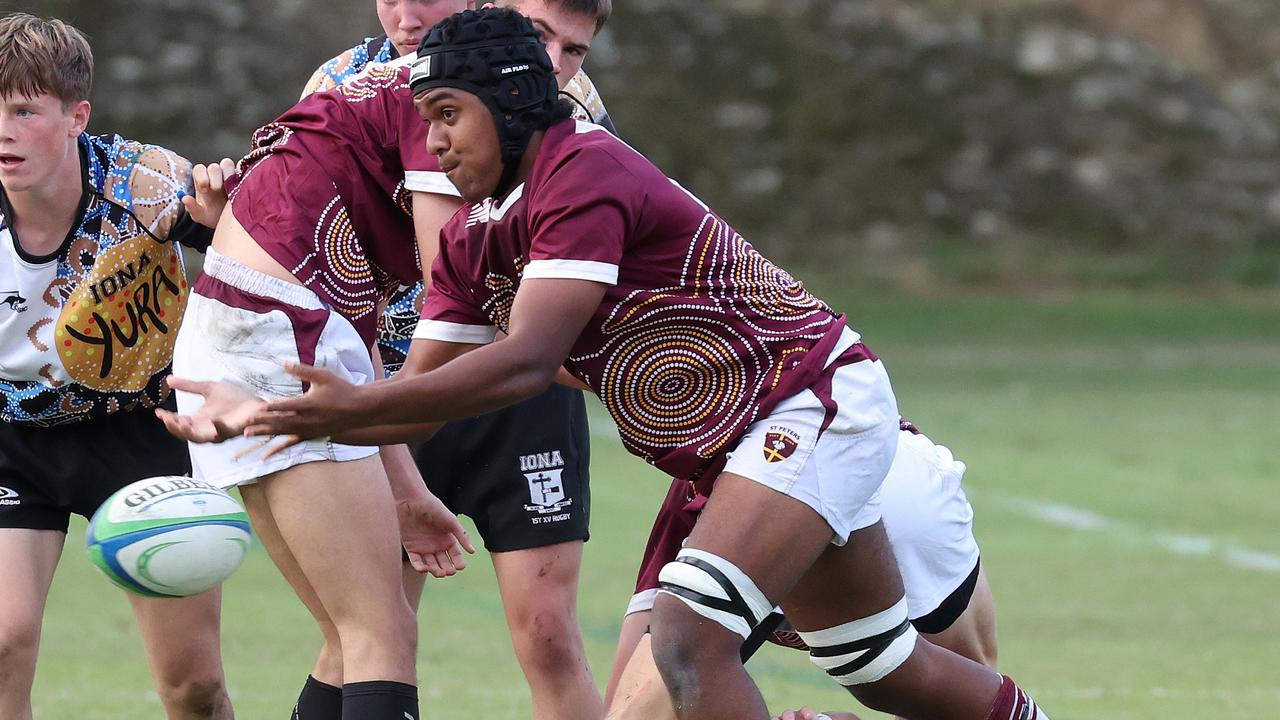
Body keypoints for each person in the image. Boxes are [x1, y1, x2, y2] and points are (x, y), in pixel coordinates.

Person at [165, 8, 1049, 719]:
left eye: (447, 117)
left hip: (808, 403)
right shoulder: (475, 243)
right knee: (884, 665)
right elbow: (421, 401)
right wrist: (277, 411)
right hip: (733, 452)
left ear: (510, 101)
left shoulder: (582, 170)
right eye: (423, 119)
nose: (431, 145)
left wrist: (332, 412)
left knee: (687, 640)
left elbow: (525, 364)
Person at [293, 3, 613, 720]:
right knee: (364, 636)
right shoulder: (342, 83)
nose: (407, 14)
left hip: (518, 383)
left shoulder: (555, 89)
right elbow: (308, 230)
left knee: (550, 634)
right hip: (404, 386)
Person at [157, 10, 477, 720]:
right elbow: (448, 278)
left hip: (262, 323)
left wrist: (406, 487)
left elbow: (352, 332)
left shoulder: (387, 89)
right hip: (276, 332)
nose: (553, 60)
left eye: (570, 47)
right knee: (381, 633)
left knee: (348, 636)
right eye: (540, 36)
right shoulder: (446, 85)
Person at [0, 13, 236, 720]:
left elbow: (252, 258)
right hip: (14, 438)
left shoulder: (143, 183)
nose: (3, 130)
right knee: (4, 641)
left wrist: (227, 219)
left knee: (192, 687)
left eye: (22, 110)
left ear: (78, 116)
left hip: (141, 431)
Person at [603, 421, 999, 720]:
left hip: (775, 477)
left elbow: (626, 699)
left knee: (645, 707)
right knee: (967, 697)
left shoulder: (696, 485)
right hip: (892, 465)